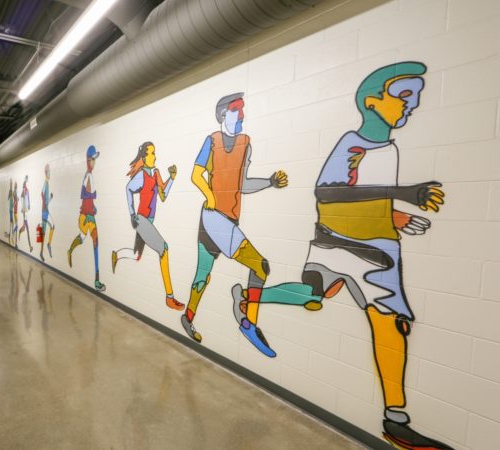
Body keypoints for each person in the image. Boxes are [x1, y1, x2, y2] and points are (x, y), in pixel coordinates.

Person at [300, 62, 449, 450]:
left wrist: (394, 215)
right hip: (339, 244)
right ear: (371, 101)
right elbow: (327, 192)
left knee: (392, 325)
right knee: (311, 297)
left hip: (378, 248)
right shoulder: (353, 143)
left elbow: (361, 196)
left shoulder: (389, 148)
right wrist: (403, 193)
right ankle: (251, 298)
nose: (411, 104)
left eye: (416, 96)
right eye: (403, 95)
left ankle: (395, 421)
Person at [181, 92, 318, 358]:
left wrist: (269, 182)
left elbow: (242, 184)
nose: (242, 115)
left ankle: (188, 317)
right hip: (212, 218)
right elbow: (196, 173)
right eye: (236, 109)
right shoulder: (212, 140)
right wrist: (210, 195)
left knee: (202, 275)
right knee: (260, 266)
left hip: (227, 219)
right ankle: (249, 323)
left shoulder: (246, 144)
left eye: (242, 109)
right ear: (223, 114)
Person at [111, 141, 184, 311]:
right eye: (152, 153)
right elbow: (128, 189)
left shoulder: (156, 173)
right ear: (144, 157)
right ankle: (169, 297)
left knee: (137, 255)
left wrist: (172, 178)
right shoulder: (141, 175)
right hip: (141, 220)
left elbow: (163, 195)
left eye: (154, 153)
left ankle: (117, 255)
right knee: (164, 249)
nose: (155, 157)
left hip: (149, 220)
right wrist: (132, 214)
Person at [67, 145, 105, 292]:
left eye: (94, 159)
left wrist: (93, 206)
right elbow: (83, 194)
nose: (94, 162)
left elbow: (87, 197)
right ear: (87, 161)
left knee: (94, 241)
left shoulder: (90, 175)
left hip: (89, 215)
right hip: (85, 216)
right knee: (84, 239)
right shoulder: (88, 175)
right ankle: (70, 250)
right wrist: (92, 196)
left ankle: (97, 280)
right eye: (92, 159)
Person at [40, 164, 55, 261]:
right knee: (51, 226)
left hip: (45, 210)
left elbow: (45, 200)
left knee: (44, 231)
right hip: (44, 211)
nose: (50, 174)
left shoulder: (47, 183)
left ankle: (42, 251)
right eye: (49, 172)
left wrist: (50, 198)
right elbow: (41, 193)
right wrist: (45, 204)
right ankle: (48, 245)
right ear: (46, 173)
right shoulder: (45, 183)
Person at [18, 175, 33, 252]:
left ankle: (19, 232)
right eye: (26, 179)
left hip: (25, 211)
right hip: (24, 212)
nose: (27, 180)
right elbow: (22, 199)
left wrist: (29, 204)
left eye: (27, 179)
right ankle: (30, 246)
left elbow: (28, 198)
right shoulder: (23, 191)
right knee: (27, 229)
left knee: (25, 228)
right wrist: (23, 209)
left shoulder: (27, 190)